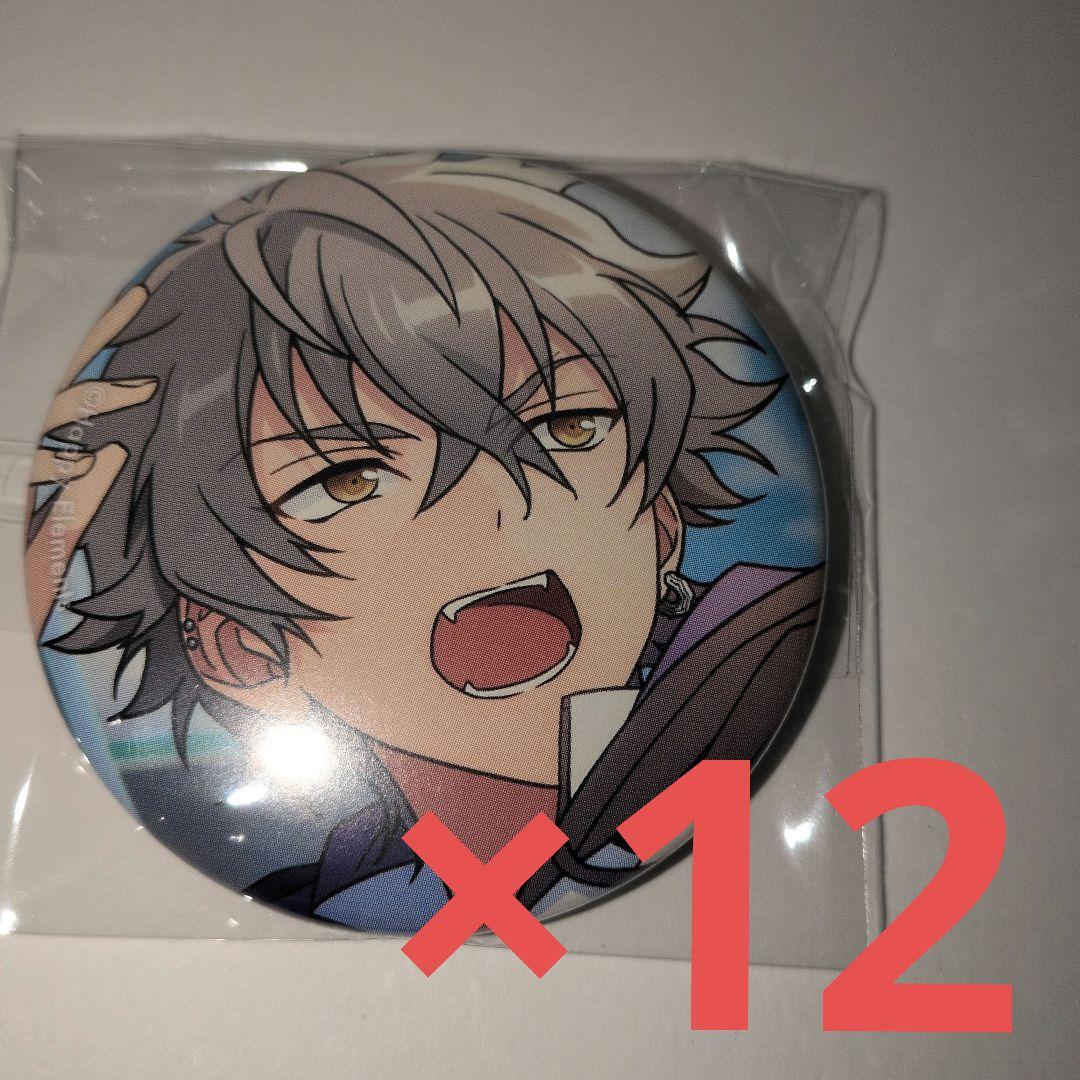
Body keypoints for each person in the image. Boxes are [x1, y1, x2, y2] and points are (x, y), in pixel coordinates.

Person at [27, 155, 823, 931]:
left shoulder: (746, 672)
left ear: (660, 525)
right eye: (348, 479)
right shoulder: (342, 881)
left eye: (565, 426)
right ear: (243, 648)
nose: (498, 509)